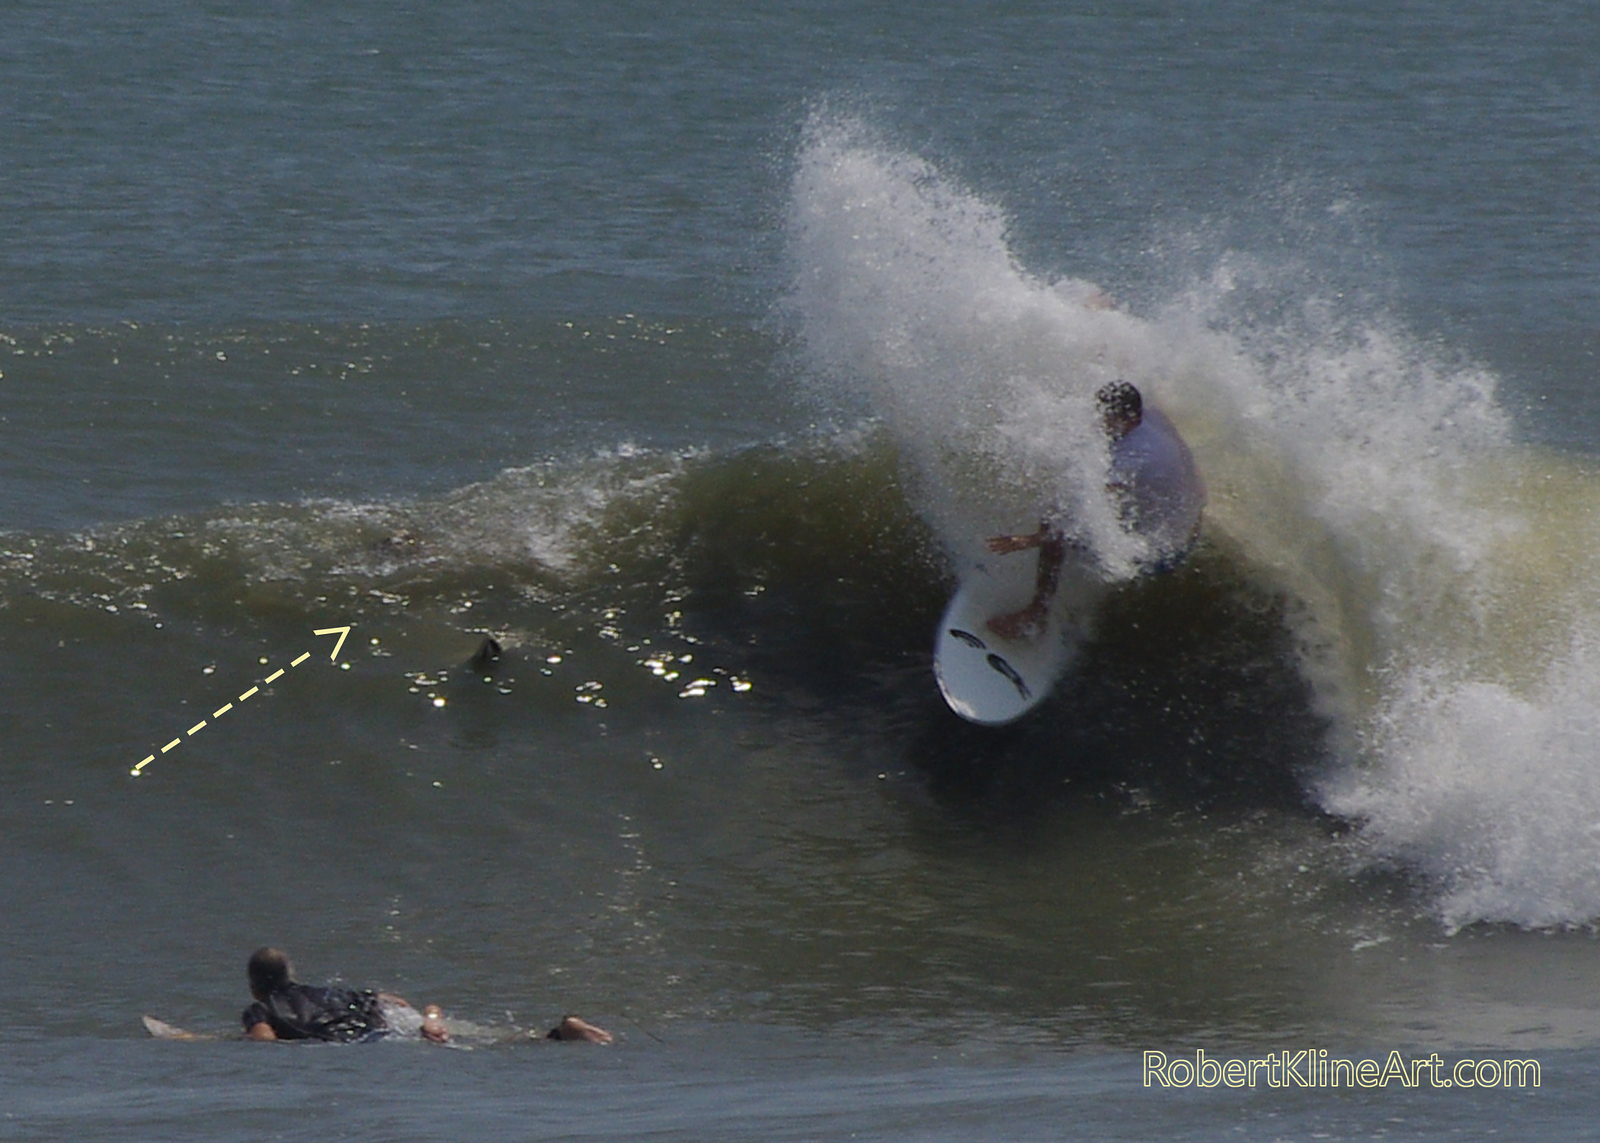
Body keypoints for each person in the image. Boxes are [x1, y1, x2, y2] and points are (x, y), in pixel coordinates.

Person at [985, 380, 1205, 640]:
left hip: (1166, 552)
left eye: (1108, 418)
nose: (1100, 422)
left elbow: (1077, 522)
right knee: (1085, 495)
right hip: (1191, 523)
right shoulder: (1151, 416)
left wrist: (1028, 540)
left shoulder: (1133, 457)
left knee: (1054, 517)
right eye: (1100, 414)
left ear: (1131, 418)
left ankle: (1036, 616)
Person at [241, 947, 612, 1045]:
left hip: (365, 1041)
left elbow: (264, 1042)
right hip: (391, 1021)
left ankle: (560, 1037)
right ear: (293, 974)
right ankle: (559, 1034)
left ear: (255, 985)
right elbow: (394, 1002)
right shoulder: (327, 991)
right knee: (482, 1037)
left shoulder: (261, 1007)